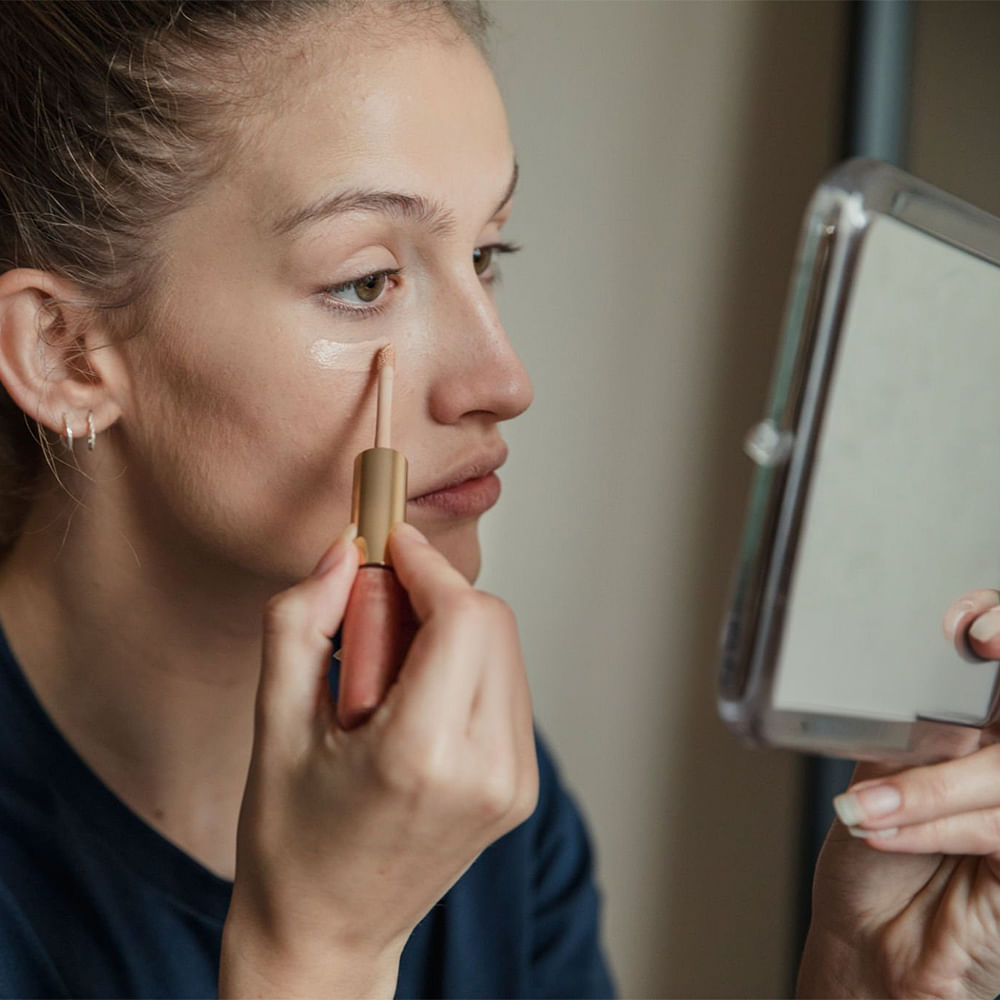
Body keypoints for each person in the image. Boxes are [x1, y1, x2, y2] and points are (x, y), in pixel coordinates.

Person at [2, 3, 1000, 999]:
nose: (503, 377)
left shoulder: (465, 783)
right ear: (64, 351)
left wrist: (865, 980)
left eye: (486, 255)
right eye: (365, 281)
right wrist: (318, 953)